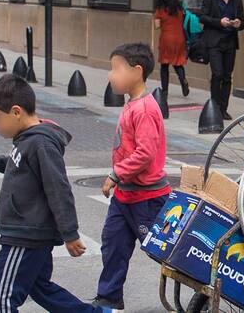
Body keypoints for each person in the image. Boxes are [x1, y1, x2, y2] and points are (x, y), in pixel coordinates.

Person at [0, 75, 110, 313]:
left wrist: (70, 234)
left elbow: (58, 189)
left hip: (26, 235)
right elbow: (23, 163)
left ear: (16, 112)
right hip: (29, 232)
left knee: (0, 302)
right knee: (39, 287)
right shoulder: (28, 140)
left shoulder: (41, 143)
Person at [93, 43, 170, 311]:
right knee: (113, 245)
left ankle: (203, 287)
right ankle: (108, 298)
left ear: (137, 71)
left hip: (147, 198)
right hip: (125, 195)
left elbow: (145, 153)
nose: (110, 75)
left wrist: (115, 173)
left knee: (165, 252)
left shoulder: (145, 109)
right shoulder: (132, 105)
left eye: (116, 69)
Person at [199, 0, 244, 119]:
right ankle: (215, 107)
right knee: (217, 74)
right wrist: (219, 22)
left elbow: (243, 23)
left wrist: (238, 24)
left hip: (230, 42)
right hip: (214, 42)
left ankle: (223, 108)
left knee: (227, 76)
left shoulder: (237, 1)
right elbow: (203, 17)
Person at [152, 0, 190, 98]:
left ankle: (165, 91)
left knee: (164, 65)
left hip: (166, 39)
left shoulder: (161, 10)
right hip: (180, 39)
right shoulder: (179, 9)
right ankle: (183, 81)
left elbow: (157, 26)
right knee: (178, 63)